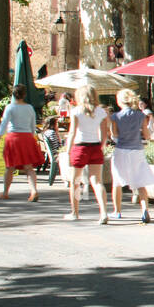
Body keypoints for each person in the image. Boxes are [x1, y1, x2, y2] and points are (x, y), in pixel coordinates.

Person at [108, 88, 154, 223]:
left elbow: (114, 135)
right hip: (137, 150)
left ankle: (117, 211)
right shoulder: (141, 116)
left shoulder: (115, 117)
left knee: (117, 182)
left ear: (120, 101)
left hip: (121, 150)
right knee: (140, 181)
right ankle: (144, 210)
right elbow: (147, 135)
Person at [63, 85, 111, 223]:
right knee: (97, 181)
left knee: (75, 181)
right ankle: (103, 212)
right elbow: (104, 134)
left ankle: (75, 212)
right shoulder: (101, 112)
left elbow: (72, 131)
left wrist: (68, 150)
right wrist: (101, 146)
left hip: (80, 146)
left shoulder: (76, 111)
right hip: (95, 146)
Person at [0, 84, 44, 202]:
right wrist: (32, 137)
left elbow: (4, 124)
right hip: (27, 137)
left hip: (13, 138)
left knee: (9, 167)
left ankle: (5, 192)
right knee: (29, 167)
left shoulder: (10, 107)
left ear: (13, 94)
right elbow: (33, 126)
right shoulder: (29, 108)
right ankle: (33, 190)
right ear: (24, 95)